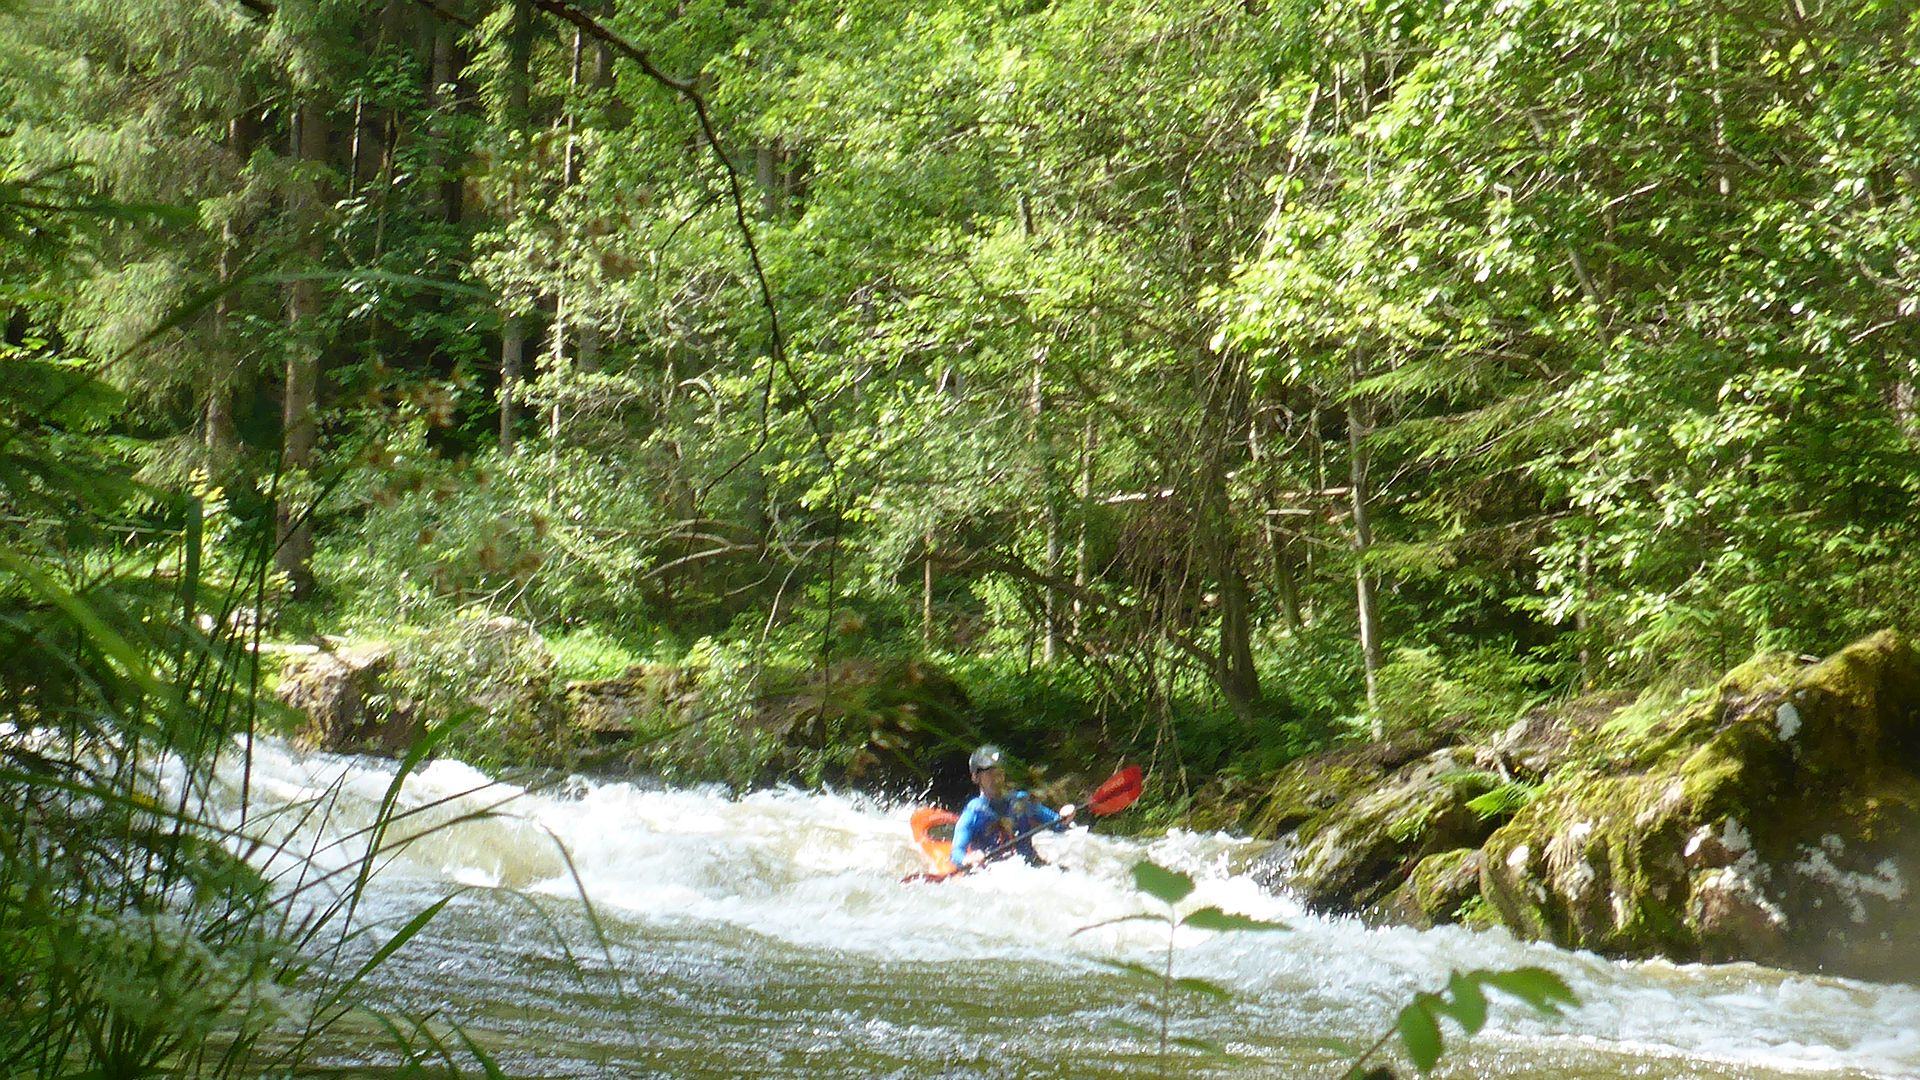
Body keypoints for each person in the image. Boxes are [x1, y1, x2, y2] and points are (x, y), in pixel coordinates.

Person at [949, 744, 1074, 870]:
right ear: (975, 777)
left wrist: (1065, 817)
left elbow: (1057, 824)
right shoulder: (972, 813)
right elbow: (956, 854)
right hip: (992, 874)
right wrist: (967, 859)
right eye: (990, 773)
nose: (996, 779)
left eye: (999, 772)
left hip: (1028, 869)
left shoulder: (1022, 801)